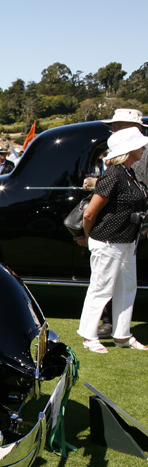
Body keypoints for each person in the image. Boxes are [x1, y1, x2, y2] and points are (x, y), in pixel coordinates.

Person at [75, 127, 148, 353]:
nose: (144, 147)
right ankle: (89, 336)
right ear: (129, 149)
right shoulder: (114, 174)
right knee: (102, 288)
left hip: (127, 241)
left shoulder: (129, 173)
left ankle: (122, 334)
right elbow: (89, 213)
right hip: (107, 241)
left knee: (127, 287)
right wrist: (88, 238)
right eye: (140, 144)